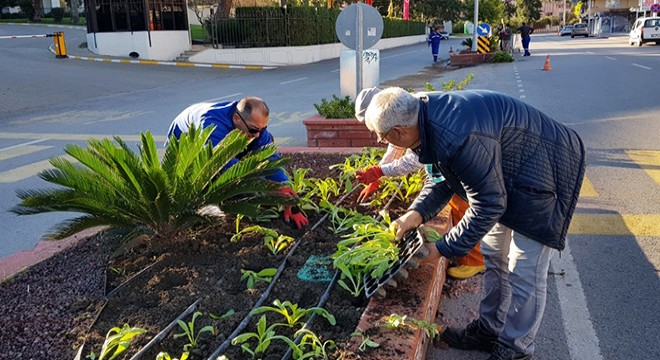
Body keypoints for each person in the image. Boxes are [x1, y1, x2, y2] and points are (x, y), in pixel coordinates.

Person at [364, 87, 586, 360]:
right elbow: (441, 177)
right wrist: (415, 214)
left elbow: (489, 203)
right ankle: (489, 330)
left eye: (381, 136)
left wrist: (442, 249)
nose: (379, 140)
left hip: (543, 173)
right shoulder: (424, 119)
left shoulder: (458, 135)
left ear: (399, 132)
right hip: (503, 173)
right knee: (495, 256)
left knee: (524, 269)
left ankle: (517, 349)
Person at [354, 87, 486, 280]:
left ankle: (475, 261)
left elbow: (413, 161)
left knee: (464, 206)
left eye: (378, 132)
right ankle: (473, 255)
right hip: (471, 164)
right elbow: (395, 148)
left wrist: (380, 171)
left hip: (480, 166)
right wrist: (378, 174)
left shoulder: (413, 120)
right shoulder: (403, 112)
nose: (377, 137)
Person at [165, 97, 309, 229]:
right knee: (199, 175)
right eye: (253, 130)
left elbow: (270, 158)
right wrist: (268, 187)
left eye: (262, 129)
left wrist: (285, 190)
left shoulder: (252, 125)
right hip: (185, 141)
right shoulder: (212, 127)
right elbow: (228, 165)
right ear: (236, 118)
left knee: (256, 149)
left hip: (226, 137)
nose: (257, 135)